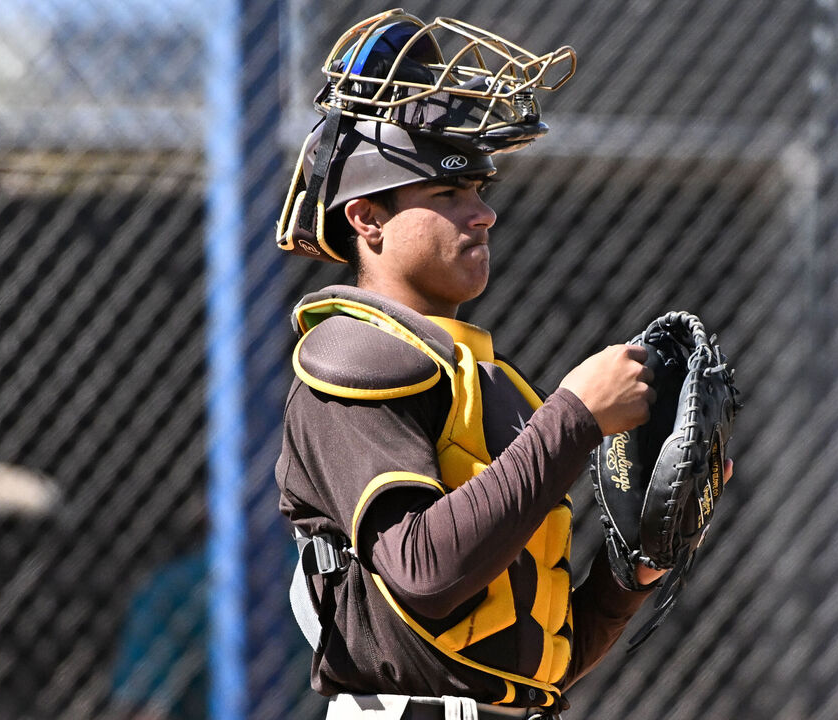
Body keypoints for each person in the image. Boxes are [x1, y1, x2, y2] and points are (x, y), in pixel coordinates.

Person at [272, 10, 730, 719]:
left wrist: (634, 568)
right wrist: (574, 418)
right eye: (448, 193)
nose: (481, 214)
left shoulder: (491, 387)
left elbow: (543, 660)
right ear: (367, 219)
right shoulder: (347, 363)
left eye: (480, 192)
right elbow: (423, 571)